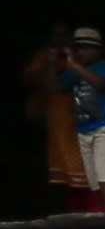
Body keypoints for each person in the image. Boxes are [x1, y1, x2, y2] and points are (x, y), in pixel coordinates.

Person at [28, 26, 105, 217]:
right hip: (83, 130)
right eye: (79, 48)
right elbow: (54, 87)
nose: (81, 52)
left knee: (101, 177)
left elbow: (100, 83)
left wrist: (76, 66)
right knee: (87, 180)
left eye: (87, 48)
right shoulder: (76, 72)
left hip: (102, 129)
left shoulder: (101, 67)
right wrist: (53, 64)